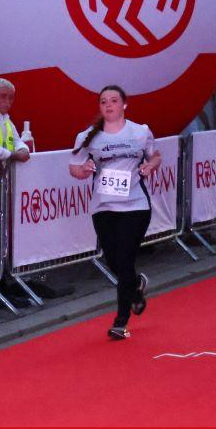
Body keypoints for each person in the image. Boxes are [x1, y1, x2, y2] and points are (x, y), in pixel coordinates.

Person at [69, 85, 160, 340]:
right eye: (103, 102)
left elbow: (155, 156)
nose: (108, 105)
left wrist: (150, 166)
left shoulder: (140, 132)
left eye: (113, 100)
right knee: (113, 260)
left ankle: (121, 322)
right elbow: (74, 168)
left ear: (124, 104)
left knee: (125, 258)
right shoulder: (88, 137)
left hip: (135, 205)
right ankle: (136, 285)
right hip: (104, 207)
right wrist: (83, 170)